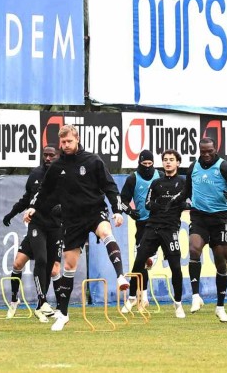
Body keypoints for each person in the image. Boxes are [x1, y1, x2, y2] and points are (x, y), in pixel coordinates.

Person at [24, 125, 128, 331]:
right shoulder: (57, 166)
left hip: (94, 211)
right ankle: (63, 314)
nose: (65, 145)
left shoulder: (93, 160)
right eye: (63, 142)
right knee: (69, 266)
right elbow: (44, 191)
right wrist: (33, 206)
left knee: (105, 231)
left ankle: (120, 276)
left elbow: (110, 186)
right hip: (71, 220)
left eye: (69, 141)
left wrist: (116, 210)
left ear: (77, 139)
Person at [186, 137, 227, 323]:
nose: (206, 154)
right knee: (194, 250)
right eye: (203, 151)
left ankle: (220, 306)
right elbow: (187, 191)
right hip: (199, 217)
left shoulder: (225, 167)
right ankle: (196, 296)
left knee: (221, 262)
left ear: (215, 149)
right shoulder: (193, 168)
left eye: (209, 151)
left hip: (220, 219)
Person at [3, 145, 62, 323]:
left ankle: (42, 307)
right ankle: (19, 300)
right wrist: (12, 213)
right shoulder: (35, 174)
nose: (48, 158)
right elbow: (27, 198)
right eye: (45, 155)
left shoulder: (63, 174)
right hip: (37, 225)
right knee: (23, 263)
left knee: (52, 267)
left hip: (55, 227)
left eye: (52, 155)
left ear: (57, 156)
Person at [127, 150, 188, 318]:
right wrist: (158, 204)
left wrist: (181, 204)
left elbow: (190, 201)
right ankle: (132, 297)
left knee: (176, 267)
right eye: (165, 160)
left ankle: (178, 304)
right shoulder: (156, 182)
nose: (168, 162)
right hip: (152, 227)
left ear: (177, 163)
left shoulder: (183, 182)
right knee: (139, 262)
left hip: (170, 229)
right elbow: (147, 203)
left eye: (171, 160)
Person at [120, 149, 160, 312]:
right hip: (142, 224)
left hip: (159, 223)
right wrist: (130, 211)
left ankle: (135, 297)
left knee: (146, 260)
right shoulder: (133, 179)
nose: (147, 167)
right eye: (144, 164)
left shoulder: (160, 176)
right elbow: (122, 201)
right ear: (139, 163)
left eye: (150, 164)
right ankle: (142, 297)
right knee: (141, 261)